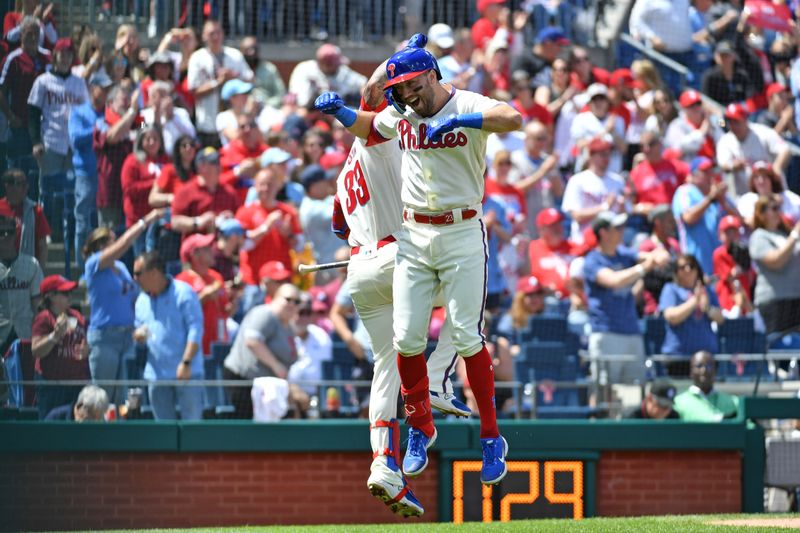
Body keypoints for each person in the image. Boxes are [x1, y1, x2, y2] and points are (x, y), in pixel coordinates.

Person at [315, 35, 521, 486]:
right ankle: (420, 427)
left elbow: (513, 116)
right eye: (401, 91)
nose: (408, 96)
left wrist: (465, 121)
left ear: (432, 74)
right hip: (414, 234)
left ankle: (491, 438)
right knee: (406, 340)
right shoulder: (403, 111)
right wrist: (342, 114)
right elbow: (373, 130)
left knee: (467, 335)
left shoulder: (465, 100)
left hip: (463, 230)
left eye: (413, 86)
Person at [326, 70, 473, 516]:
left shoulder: (342, 175)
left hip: (360, 269)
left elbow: (339, 226)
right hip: (395, 257)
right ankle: (435, 378)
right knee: (470, 290)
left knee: (385, 368)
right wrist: (399, 60)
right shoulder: (378, 138)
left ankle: (383, 466)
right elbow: (373, 95)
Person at [82, 209, 163, 406]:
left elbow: (134, 297)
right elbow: (126, 242)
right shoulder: (93, 265)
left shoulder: (121, 268)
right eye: (111, 240)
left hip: (128, 337)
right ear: (100, 245)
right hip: (104, 339)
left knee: (125, 401)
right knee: (101, 400)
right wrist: (145, 221)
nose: (115, 243)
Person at [583, 212, 670, 385]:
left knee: (635, 392)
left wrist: (658, 255)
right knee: (605, 392)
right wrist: (643, 268)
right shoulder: (593, 261)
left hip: (631, 332)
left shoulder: (623, 254)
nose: (622, 231)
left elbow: (652, 256)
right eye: (617, 228)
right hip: (606, 332)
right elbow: (614, 281)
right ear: (603, 233)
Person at [133, 251, 204, 421]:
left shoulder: (184, 293)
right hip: (157, 375)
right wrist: (138, 336)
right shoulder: (141, 300)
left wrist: (186, 363)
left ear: (154, 272)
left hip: (187, 373)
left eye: (138, 273)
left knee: (191, 429)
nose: (134, 278)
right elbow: (138, 330)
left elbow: (196, 329)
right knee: (164, 431)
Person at [27, 38, 89, 232]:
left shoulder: (79, 83)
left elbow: (87, 112)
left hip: (73, 146)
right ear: (55, 56)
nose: (65, 58)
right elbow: (33, 112)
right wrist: (36, 141)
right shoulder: (43, 81)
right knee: (48, 191)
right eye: (62, 54)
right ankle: (45, 232)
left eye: (69, 55)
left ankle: (66, 233)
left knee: (70, 192)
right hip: (51, 143)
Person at [223, 283, 300, 419]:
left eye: (297, 301)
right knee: (249, 429)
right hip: (244, 382)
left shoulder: (288, 325)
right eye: (288, 299)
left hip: (268, 387)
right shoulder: (265, 314)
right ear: (276, 297)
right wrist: (276, 366)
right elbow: (252, 341)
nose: (292, 304)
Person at [69, 71, 112, 274]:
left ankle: (105, 265)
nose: (105, 92)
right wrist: (98, 129)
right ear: (91, 88)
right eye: (101, 87)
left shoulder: (112, 112)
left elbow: (140, 124)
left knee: (104, 223)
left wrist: (142, 121)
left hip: (106, 175)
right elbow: (75, 139)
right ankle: (82, 268)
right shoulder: (78, 112)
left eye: (107, 88)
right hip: (86, 173)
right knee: (83, 222)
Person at [187, 20, 253, 148]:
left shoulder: (235, 55)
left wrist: (233, 77)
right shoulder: (197, 57)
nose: (216, 37)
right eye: (211, 33)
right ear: (204, 36)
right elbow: (193, 91)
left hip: (234, 123)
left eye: (218, 32)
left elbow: (250, 79)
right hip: (208, 125)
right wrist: (218, 82)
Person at [31, 274, 89, 419]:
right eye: (64, 293)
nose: (70, 296)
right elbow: (36, 351)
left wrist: (87, 349)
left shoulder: (77, 315)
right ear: (50, 296)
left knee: (76, 431)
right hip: (53, 386)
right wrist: (54, 336)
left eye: (70, 292)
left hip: (77, 384)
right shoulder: (44, 317)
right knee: (50, 430)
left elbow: (87, 343)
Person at [235, 168, 302, 290]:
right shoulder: (244, 212)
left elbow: (299, 247)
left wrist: (289, 235)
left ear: (278, 186)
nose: (265, 189)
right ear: (255, 186)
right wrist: (266, 227)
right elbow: (243, 245)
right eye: (262, 184)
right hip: (253, 281)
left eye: (270, 184)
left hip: (281, 280)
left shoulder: (288, 212)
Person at [672, 156, 739, 274]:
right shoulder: (685, 191)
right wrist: (710, 199)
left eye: (711, 171)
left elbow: (739, 220)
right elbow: (688, 218)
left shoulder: (718, 194)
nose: (710, 175)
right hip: (696, 264)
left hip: (723, 265)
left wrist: (723, 202)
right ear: (692, 175)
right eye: (704, 172)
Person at [659, 254, 724, 375]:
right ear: (676, 271)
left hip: (706, 356)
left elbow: (720, 319)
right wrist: (695, 301)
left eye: (691, 266)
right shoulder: (671, 289)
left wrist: (707, 308)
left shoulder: (707, 291)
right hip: (679, 357)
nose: (687, 270)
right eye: (682, 267)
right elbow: (671, 317)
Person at [0, 19, 49, 170]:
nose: (33, 38)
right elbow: (2, 91)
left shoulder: (47, 57)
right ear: (21, 35)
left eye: (36, 34)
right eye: (29, 34)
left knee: (38, 174)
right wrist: (10, 117)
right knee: (16, 171)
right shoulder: (13, 59)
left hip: (41, 127)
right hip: (19, 126)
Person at [748, 196, 800, 335]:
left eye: (779, 208)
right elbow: (776, 262)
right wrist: (795, 235)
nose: (779, 212)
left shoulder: (784, 235)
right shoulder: (759, 236)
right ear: (762, 213)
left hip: (795, 300)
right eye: (774, 208)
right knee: (780, 350)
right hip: (775, 303)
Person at [716, 103, 791, 198]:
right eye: (730, 122)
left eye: (736, 121)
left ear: (745, 120)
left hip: (775, 194)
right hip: (749, 198)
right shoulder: (726, 141)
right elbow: (723, 164)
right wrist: (733, 165)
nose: (733, 125)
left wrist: (776, 168)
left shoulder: (762, 132)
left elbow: (785, 150)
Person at [561, 138, 627, 243]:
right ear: (591, 156)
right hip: (584, 241)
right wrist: (604, 207)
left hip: (611, 243)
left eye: (608, 154)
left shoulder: (617, 181)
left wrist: (622, 207)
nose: (606, 158)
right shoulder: (577, 180)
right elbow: (576, 216)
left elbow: (624, 216)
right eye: (602, 154)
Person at [176, 233, 230, 357]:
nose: (212, 250)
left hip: (218, 344)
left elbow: (224, 311)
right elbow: (178, 314)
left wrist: (234, 302)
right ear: (194, 255)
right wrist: (203, 297)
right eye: (206, 248)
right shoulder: (181, 281)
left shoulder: (216, 277)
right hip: (194, 350)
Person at [0, 209, 42, 363]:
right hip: (1, 334)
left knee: (26, 384)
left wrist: (40, 332)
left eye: (9, 232)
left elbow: (38, 304)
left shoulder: (31, 265)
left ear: (16, 233)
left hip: (25, 334)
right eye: (1, 232)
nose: (5, 236)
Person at [120, 126, 168, 256]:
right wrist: (155, 183)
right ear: (141, 141)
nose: (152, 142)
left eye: (155, 139)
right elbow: (129, 189)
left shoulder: (166, 160)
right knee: (143, 261)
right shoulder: (132, 161)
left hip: (162, 221)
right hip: (139, 222)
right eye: (148, 139)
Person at [509, 121, 562, 236]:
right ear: (527, 138)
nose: (542, 142)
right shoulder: (516, 159)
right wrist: (542, 172)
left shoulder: (548, 160)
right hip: (526, 226)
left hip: (547, 225)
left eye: (545, 138)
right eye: (538, 138)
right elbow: (514, 190)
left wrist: (552, 172)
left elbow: (559, 192)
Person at [171, 147, 239, 236]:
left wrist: (231, 219)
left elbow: (239, 217)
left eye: (218, 162)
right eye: (213, 163)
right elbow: (175, 222)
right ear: (200, 167)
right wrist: (198, 222)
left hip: (222, 245)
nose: (218, 166)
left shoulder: (229, 192)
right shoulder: (186, 191)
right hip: (196, 246)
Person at [569, 83, 627, 174]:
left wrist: (613, 132)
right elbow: (580, 144)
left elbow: (623, 149)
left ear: (608, 102)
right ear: (589, 103)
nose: (598, 102)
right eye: (595, 99)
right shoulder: (581, 119)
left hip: (612, 174)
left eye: (602, 99)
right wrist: (605, 131)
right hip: (587, 173)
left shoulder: (617, 120)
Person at [288, 44, 367, 109]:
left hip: (337, 111)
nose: (338, 66)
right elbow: (302, 104)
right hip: (311, 112)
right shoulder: (305, 69)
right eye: (334, 64)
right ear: (325, 64)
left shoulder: (341, 71)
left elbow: (362, 84)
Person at [629, 130, 688, 218]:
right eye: (642, 146)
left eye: (651, 144)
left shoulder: (676, 167)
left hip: (675, 217)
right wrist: (641, 208)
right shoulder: (636, 173)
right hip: (649, 221)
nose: (646, 149)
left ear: (659, 144)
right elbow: (628, 206)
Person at [0, 168, 49, 266]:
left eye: (26, 183)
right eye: (20, 183)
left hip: (27, 270)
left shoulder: (35, 210)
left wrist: (38, 272)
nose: (25, 187)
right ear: (8, 186)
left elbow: (42, 246)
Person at [673, 350, 740, 421]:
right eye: (699, 366)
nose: (704, 370)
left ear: (715, 371)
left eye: (709, 366)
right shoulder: (677, 403)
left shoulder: (733, 402)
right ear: (691, 372)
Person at [713, 215, 755, 317]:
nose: (731, 235)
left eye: (734, 231)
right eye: (727, 232)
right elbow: (729, 277)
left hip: (746, 301)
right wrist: (741, 267)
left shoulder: (744, 250)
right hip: (729, 301)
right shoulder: (719, 253)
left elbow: (751, 278)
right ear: (720, 235)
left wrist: (746, 265)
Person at [664, 89, 722, 163]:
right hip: (693, 169)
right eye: (691, 105)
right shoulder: (677, 125)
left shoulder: (710, 119)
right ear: (684, 108)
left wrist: (718, 115)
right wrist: (703, 129)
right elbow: (683, 146)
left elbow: (723, 125)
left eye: (698, 103)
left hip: (715, 166)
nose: (696, 107)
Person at [298, 164, 340, 267]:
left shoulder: (320, 201)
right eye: (324, 181)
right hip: (328, 266)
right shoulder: (310, 209)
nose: (328, 183)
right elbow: (342, 212)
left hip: (336, 262)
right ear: (313, 187)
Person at [737, 162, 800, 229]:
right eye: (756, 177)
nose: (761, 181)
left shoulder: (788, 197)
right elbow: (750, 224)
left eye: (765, 177)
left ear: (772, 179)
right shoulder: (746, 200)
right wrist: (768, 205)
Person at [239, 36, 286, 109]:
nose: (252, 52)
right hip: (242, 110)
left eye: (254, 49)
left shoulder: (269, 69)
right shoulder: (237, 69)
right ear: (241, 52)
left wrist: (267, 105)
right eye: (248, 49)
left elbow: (281, 93)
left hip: (267, 109)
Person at [44, 384, 109, 422]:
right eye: (92, 416)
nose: (93, 421)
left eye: (98, 418)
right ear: (79, 406)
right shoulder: (55, 418)